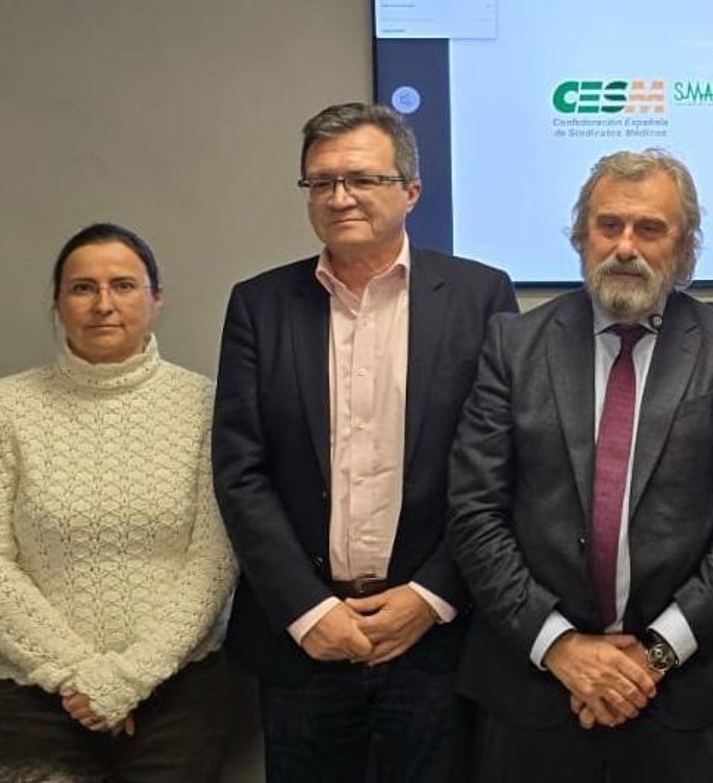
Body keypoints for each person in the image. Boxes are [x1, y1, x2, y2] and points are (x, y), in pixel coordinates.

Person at [449, 149, 713, 783]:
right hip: (533, 688)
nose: (626, 246)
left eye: (650, 228)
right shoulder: (514, 346)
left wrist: (652, 657)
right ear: (582, 235)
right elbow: (474, 513)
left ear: (685, 246)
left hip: (681, 693)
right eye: (609, 225)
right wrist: (561, 646)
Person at [212, 102, 517, 782]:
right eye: (321, 182)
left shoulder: (479, 296)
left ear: (411, 190)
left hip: (437, 640)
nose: (339, 197)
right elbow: (241, 471)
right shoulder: (260, 305)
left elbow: (499, 466)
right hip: (304, 642)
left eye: (361, 179)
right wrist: (306, 607)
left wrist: (432, 594)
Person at [0, 223, 237, 781]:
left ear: (157, 298)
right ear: (58, 303)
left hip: (175, 698)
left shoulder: (206, 405)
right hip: (35, 699)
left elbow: (214, 560)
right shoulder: (7, 407)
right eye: (83, 288)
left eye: (123, 286)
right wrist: (79, 676)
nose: (103, 304)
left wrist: (129, 678)